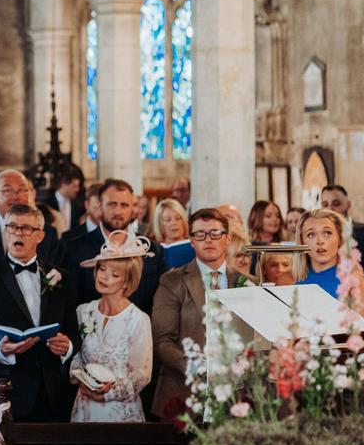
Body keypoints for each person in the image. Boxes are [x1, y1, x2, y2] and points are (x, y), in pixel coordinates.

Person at [0, 204, 79, 416]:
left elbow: (74, 331)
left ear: (40, 236)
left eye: (26, 228)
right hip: (4, 389)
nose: (18, 233)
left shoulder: (61, 277)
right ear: (5, 232)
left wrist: (68, 346)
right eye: (13, 227)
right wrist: (0, 349)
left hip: (52, 392)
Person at [151, 208, 250, 417]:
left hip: (235, 395)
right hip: (184, 391)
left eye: (215, 233)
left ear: (228, 238)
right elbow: (162, 341)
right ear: (192, 241)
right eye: (200, 234)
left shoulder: (246, 284)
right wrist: (197, 368)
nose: (208, 240)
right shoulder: (172, 281)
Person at [70, 231, 154, 422]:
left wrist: (107, 394)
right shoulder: (83, 311)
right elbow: (75, 356)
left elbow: (142, 375)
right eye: (102, 269)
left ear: (127, 281)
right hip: (84, 408)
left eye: (115, 274)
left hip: (121, 413)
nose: (105, 277)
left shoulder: (138, 319)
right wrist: (82, 380)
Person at [57, 178, 168, 313]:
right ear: (100, 205)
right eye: (112, 204)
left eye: (124, 205)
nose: (118, 212)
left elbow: (161, 302)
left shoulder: (152, 250)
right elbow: (68, 302)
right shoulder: (75, 248)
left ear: (133, 208)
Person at [319, 185, 364, 320]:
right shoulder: (318, 240)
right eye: (325, 204)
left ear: (348, 205)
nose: (330, 209)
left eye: (336, 204)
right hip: (333, 310)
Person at [295, 208, 364, 322]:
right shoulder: (293, 284)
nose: (320, 241)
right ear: (302, 241)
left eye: (327, 233)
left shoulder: (357, 286)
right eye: (311, 235)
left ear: (340, 238)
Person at [38, 169, 84, 238]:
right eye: (74, 186)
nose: (77, 190)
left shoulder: (78, 205)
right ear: (64, 184)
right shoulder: (46, 204)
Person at [153, 198, 194, 267]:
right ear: (160, 224)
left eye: (178, 218)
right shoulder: (154, 250)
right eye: (167, 220)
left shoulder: (195, 245)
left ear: (183, 221)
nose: (173, 223)